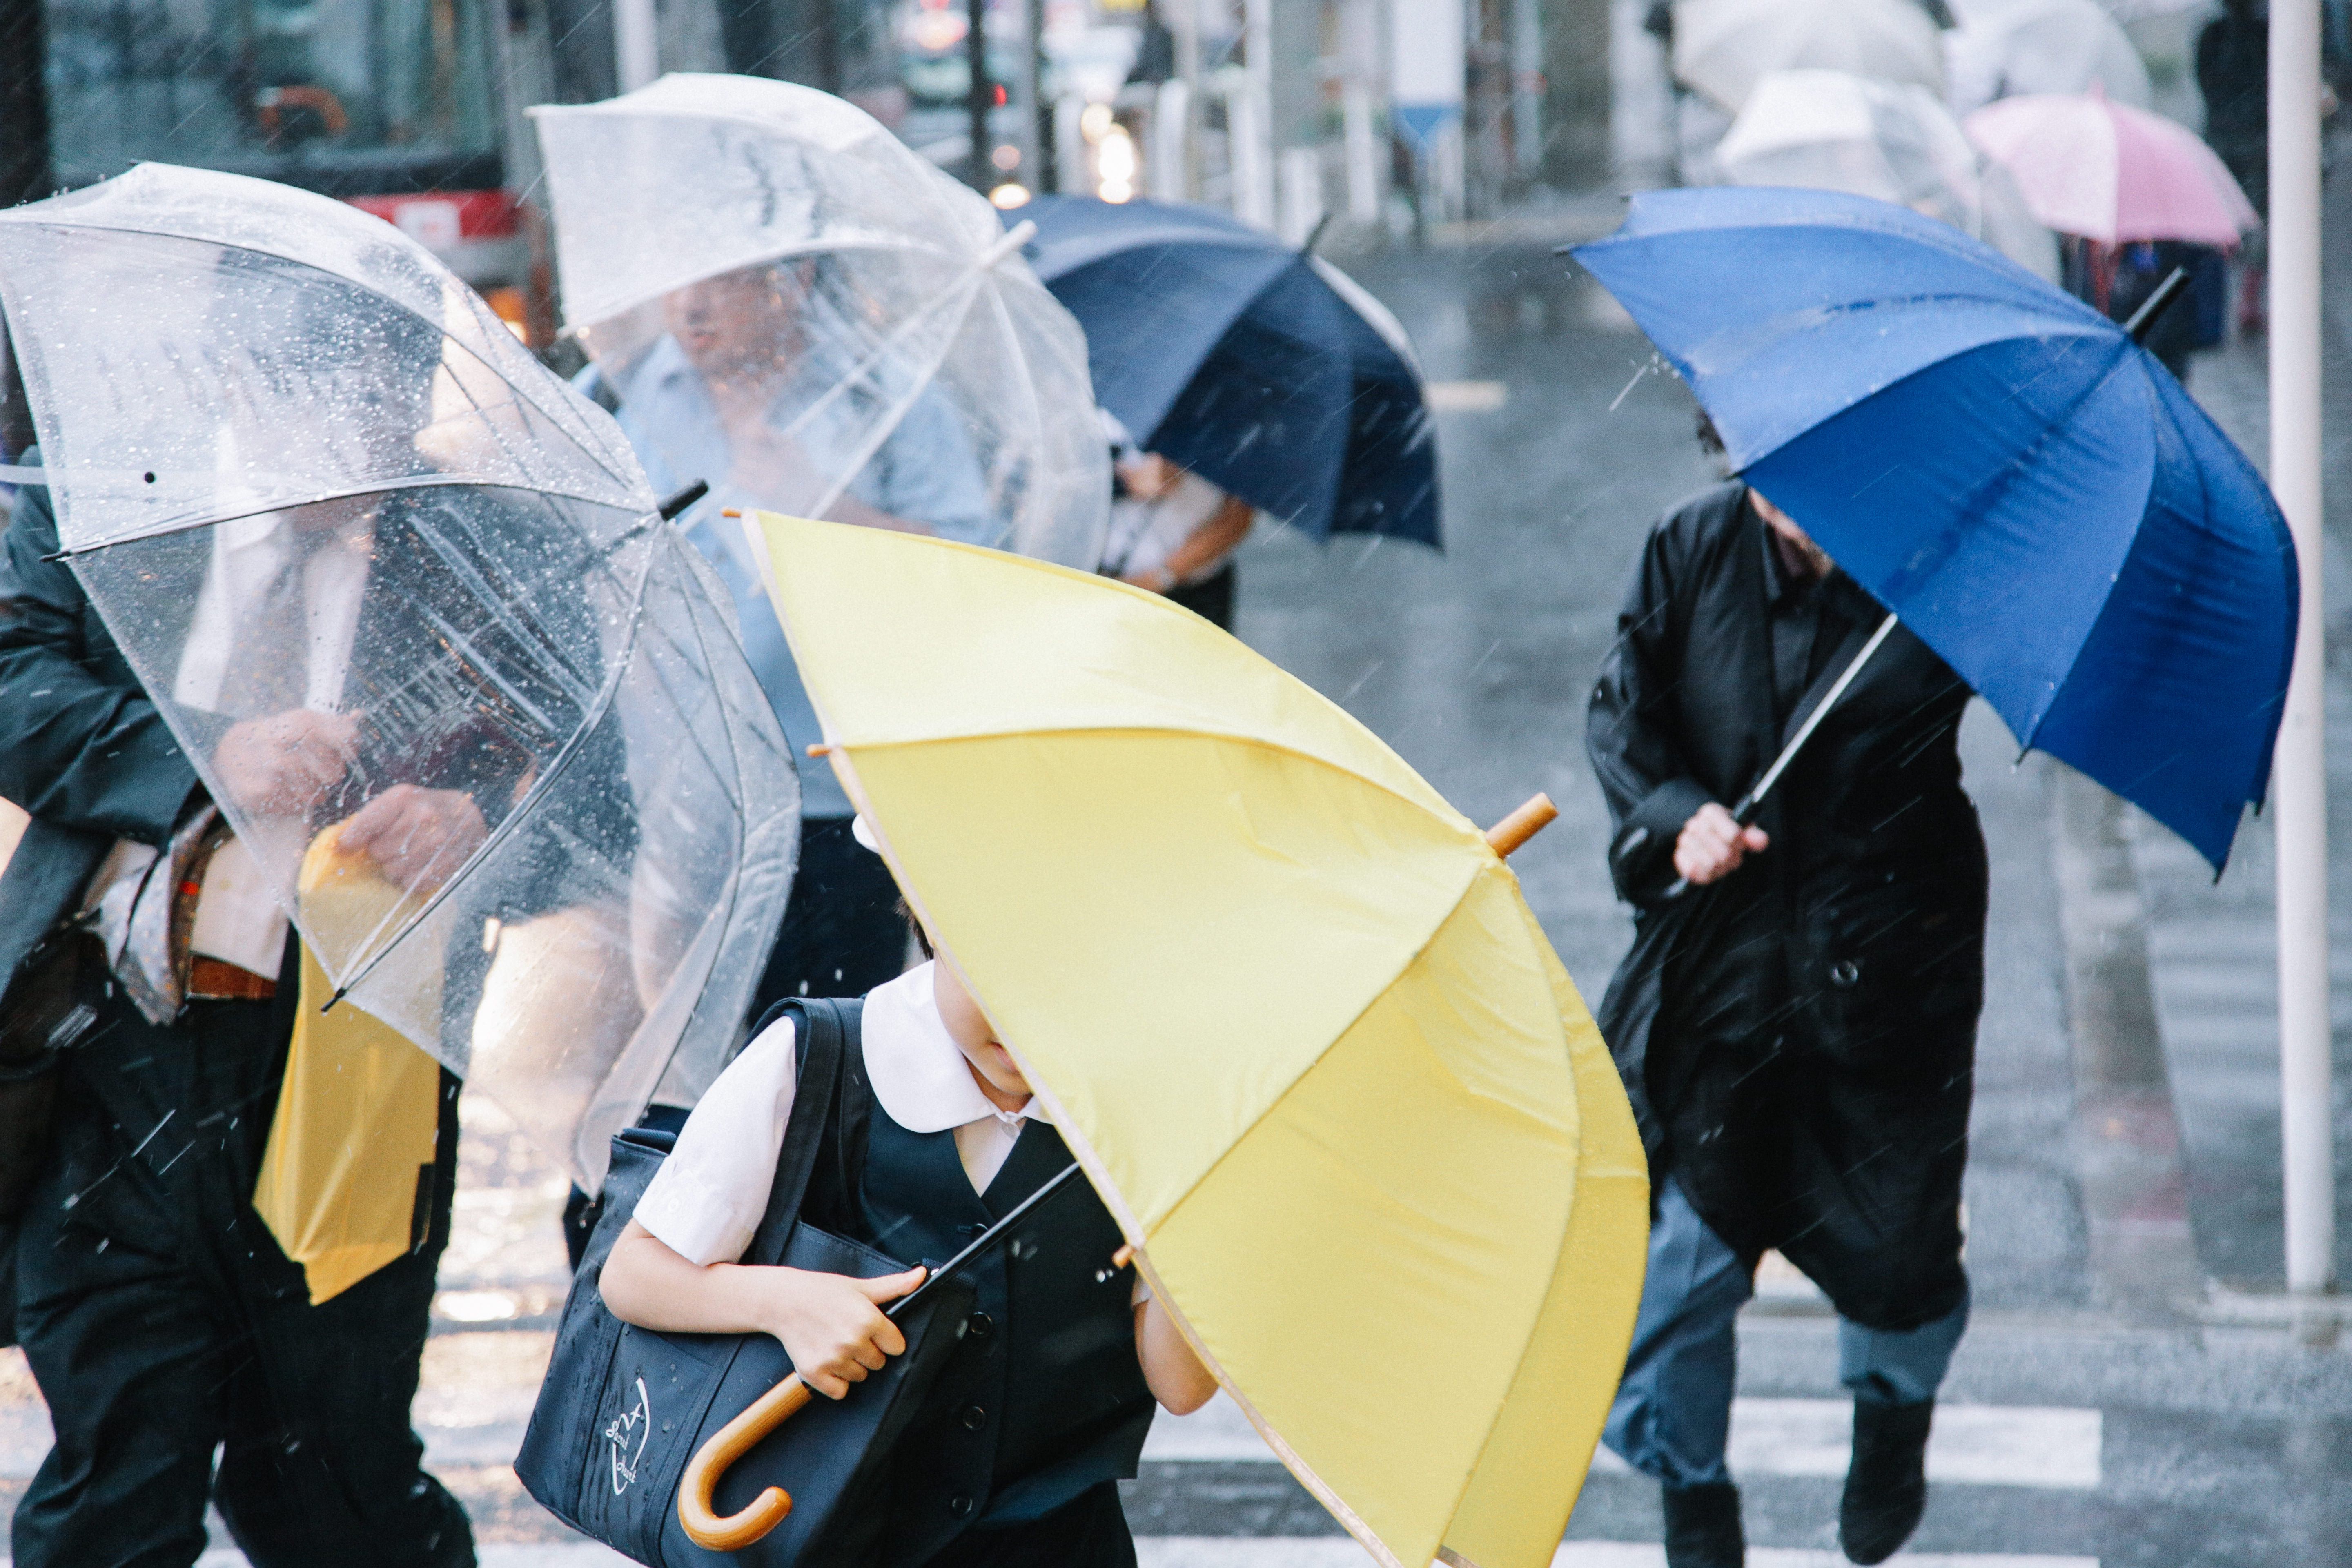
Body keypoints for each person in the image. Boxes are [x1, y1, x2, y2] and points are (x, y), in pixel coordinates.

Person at [1585, 415, 1986, 1568]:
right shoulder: (1690, 547)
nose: (1808, 508)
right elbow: (1623, 711)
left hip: (1889, 962)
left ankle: (1893, 1417)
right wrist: (1676, 819)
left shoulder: (1934, 567)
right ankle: (1692, 1493)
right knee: (1687, 1260)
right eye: (1781, 480)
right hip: (1729, 968)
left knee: (1902, 1251)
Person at [598, 898, 1217, 1566]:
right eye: (993, 975)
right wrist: (784, 1304)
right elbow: (635, 1273)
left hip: (1060, 1543)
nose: (1022, 1018)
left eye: (1063, 984)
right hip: (833, 1532)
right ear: (932, 927)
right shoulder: (822, 1059)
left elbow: (1181, 1385)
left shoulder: (1144, 1113)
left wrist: (1199, 1190)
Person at [584, 261, 994, 1020]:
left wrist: (821, 503)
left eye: (728, 280)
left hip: (834, 789)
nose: (693, 302)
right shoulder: (620, 392)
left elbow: (964, 570)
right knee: (688, 1058)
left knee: (837, 1049)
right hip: (675, 788)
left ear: (792, 281)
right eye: (680, 279)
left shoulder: (885, 395)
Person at [1103, 449, 1254, 631]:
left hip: (1189, 585)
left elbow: (1237, 519)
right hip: (1103, 566)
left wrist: (1160, 577)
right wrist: (1122, 475)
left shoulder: (1239, 436)